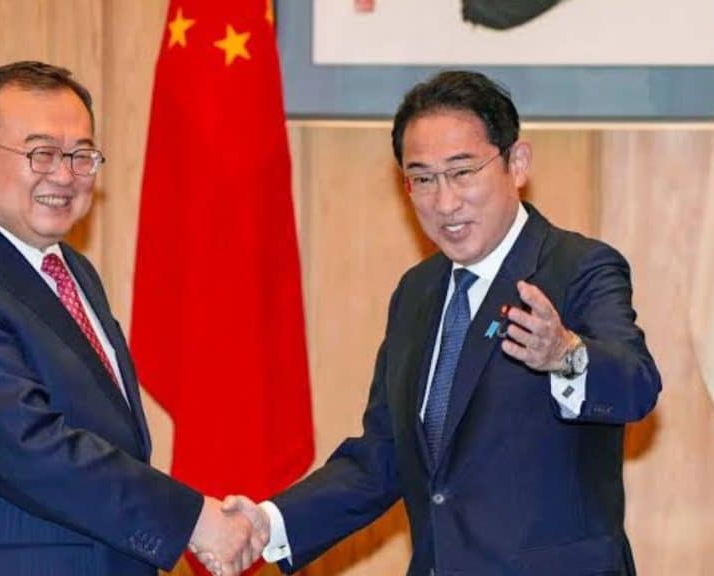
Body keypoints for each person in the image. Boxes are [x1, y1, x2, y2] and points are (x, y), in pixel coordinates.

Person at [219, 70, 662, 575]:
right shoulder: (417, 292)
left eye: (463, 172)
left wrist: (566, 356)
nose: (445, 202)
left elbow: (637, 385)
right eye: (423, 179)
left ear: (517, 163)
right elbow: (383, 456)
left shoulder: (578, 267)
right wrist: (268, 524)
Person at [0, 61, 260, 576]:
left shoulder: (68, 268)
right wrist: (193, 520)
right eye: (41, 153)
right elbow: (30, 450)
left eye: (81, 155)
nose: (63, 175)